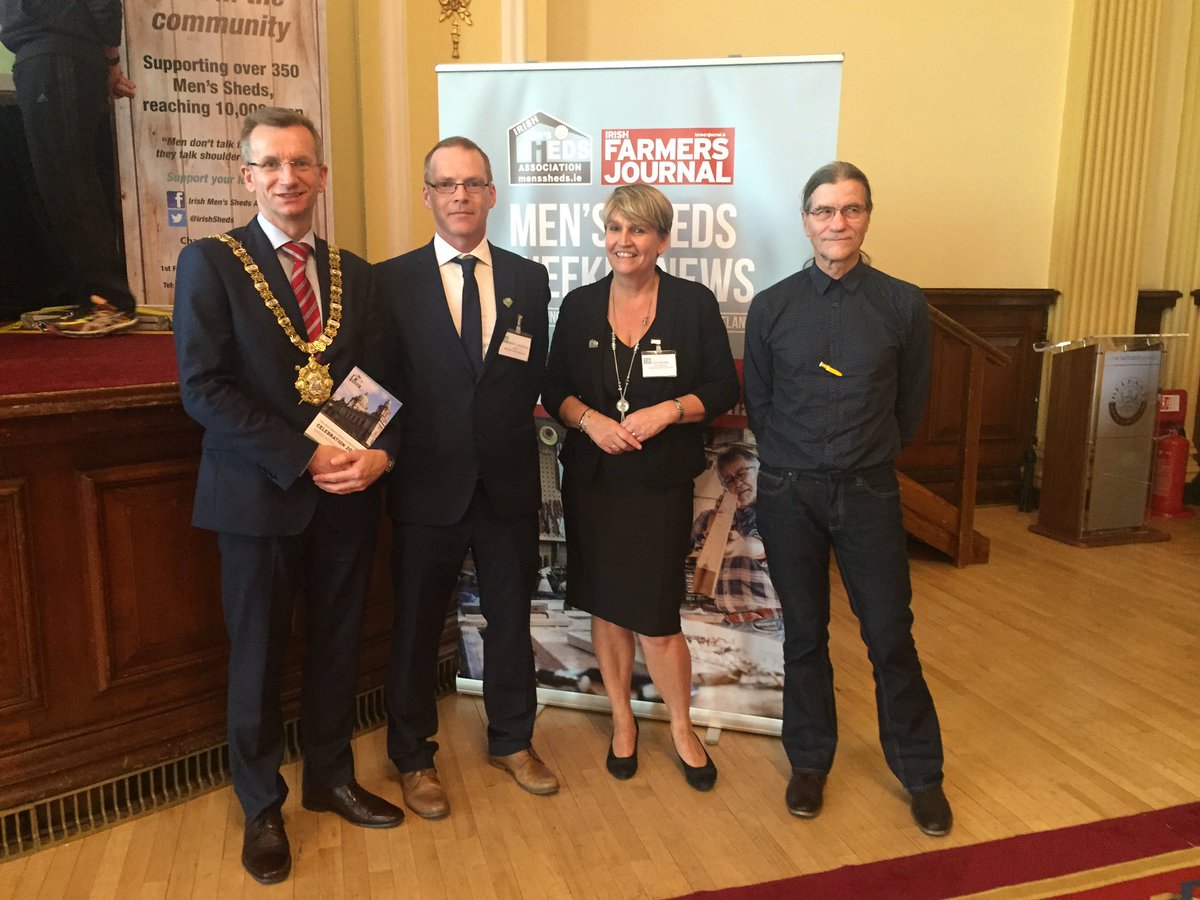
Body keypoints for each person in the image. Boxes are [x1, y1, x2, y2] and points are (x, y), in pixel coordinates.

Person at [173, 108, 404, 885]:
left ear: (321, 176)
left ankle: (331, 778)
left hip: (347, 494)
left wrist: (374, 458)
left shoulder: (355, 274)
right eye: (270, 165)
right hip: (257, 495)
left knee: (340, 643)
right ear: (248, 177)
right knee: (260, 654)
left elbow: (378, 381)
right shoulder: (211, 262)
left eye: (301, 163)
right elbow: (204, 389)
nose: (288, 178)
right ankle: (261, 803)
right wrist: (305, 457)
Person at [743, 161, 952, 836]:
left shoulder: (902, 303)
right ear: (806, 221)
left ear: (867, 216)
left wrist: (863, 453)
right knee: (804, 635)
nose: (838, 223)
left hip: (868, 491)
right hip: (788, 491)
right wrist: (796, 458)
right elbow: (762, 404)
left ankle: (920, 773)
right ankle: (810, 761)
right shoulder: (772, 305)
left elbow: (910, 405)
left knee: (890, 635)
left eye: (851, 210)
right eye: (825, 211)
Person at [377, 136, 556, 819]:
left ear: (491, 194)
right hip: (424, 486)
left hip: (508, 484)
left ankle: (513, 741)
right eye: (446, 184)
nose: (460, 195)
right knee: (417, 628)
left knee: (511, 620)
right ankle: (413, 757)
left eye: (473, 183)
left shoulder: (527, 279)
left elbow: (529, 375)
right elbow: (374, 381)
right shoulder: (390, 281)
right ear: (427, 195)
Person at [543, 184, 740, 791]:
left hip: (657, 484)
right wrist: (591, 420)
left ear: (662, 239)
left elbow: (722, 389)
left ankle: (681, 728)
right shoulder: (578, 306)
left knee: (655, 616)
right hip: (596, 479)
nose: (624, 242)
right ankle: (622, 720)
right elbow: (556, 389)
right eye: (615, 229)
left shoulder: (692, 303)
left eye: (639, 230)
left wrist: (668, 411)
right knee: (606, 606)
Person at [0, 0, 139, 335]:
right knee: (58, 186)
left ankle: (110, 301)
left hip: (61, 53)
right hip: (39, 55)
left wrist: (111, 58)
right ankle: (91, 297)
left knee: (71, 184)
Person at [690, 445, 780, 618]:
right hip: (728, 621)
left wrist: (744, 546)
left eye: (742, 473)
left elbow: (768, 547)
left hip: (765, 624)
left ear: (759, 470)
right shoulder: (714, 518)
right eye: (729, 480)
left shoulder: (777, 511)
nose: (737, 483)